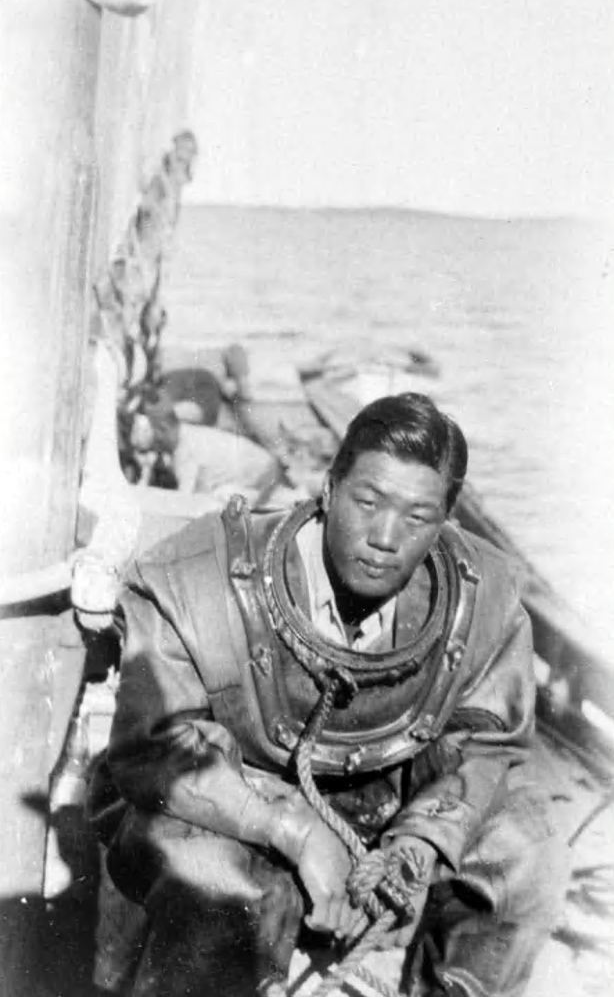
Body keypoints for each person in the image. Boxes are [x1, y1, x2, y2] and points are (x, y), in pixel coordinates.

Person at [89, 392, 568, 997]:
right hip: (235, 802)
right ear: (329, 486)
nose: (385, 537)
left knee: (528, 854)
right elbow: (155, 749)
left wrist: (417, 845)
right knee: (217, 883)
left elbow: (484, 741)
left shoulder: (483, 597)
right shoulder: (195, 580)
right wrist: (294, 832)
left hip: (385, 808)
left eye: (418, 517)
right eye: (367, 502)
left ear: (446, 519)